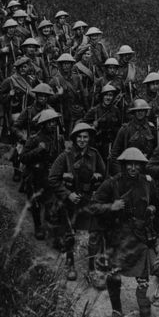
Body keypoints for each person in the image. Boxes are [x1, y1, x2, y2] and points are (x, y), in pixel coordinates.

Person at [90, 147, 159, 317]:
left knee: (143, 279)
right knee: (114, 275)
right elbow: (93, 206)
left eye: (137, 164)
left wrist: (152, 209)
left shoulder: (148, 182)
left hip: (140, 236)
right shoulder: (112, 183)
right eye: (129, 164)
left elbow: (155, 202)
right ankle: (116, 311)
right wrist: (111, 207)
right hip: (117, 236)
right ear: (123, 165)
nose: (133, 168)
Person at [49, 122, 105, 280]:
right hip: (71, 201)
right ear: (74, 138)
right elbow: (52, 179)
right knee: (69, 235)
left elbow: (104, 175)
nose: (82, 140)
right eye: (79, 137)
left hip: (89, 199)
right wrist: (67, 194)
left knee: (94, 233)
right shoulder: (65, 156)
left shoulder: (94, 155)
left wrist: (98, 179)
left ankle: (92, 269)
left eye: (85, 137)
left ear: (89, 138)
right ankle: (70, 263)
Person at [21, 109, 64, 241]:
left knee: (50, 202)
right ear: (43, 124)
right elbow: (23, 158)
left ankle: (49, 227)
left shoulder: (59, 139)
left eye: (54, 122)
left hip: (49, 175)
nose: (52, 124)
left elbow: (62, 156)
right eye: (49, 122)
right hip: (34, 176)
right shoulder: (34, 139)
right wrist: (38, 150)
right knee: (35, 203)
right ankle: (38, 226)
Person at [109, 99, 156, 175]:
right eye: (137, 111)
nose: (140, 113)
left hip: (146, 170)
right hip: (129, 169)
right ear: (134, 112)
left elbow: (156, 153)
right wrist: (120, 173)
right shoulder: (125, 130)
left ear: (146, 112)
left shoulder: (152, 129)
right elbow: (114, 155)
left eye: (142, 110)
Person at [83, 84, 122, 169]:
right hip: (97, 145)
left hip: (112, 145)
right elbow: (82, 124)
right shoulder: (95, 110)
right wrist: (92, 125)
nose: (108, 98)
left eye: (110, 95)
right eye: (106, 95)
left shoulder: (116, 110)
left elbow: (120, 127)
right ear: (102, 97)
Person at [49, 53, 84, 130]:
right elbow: (49, 100)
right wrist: (58, 94)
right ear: (60, 65)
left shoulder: (77, 78)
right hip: (61, 112)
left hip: (75, 112)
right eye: (63, 63)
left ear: (71, 65)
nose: (65, 66)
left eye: (68, 63)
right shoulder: (54, 80)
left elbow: (83, 96)